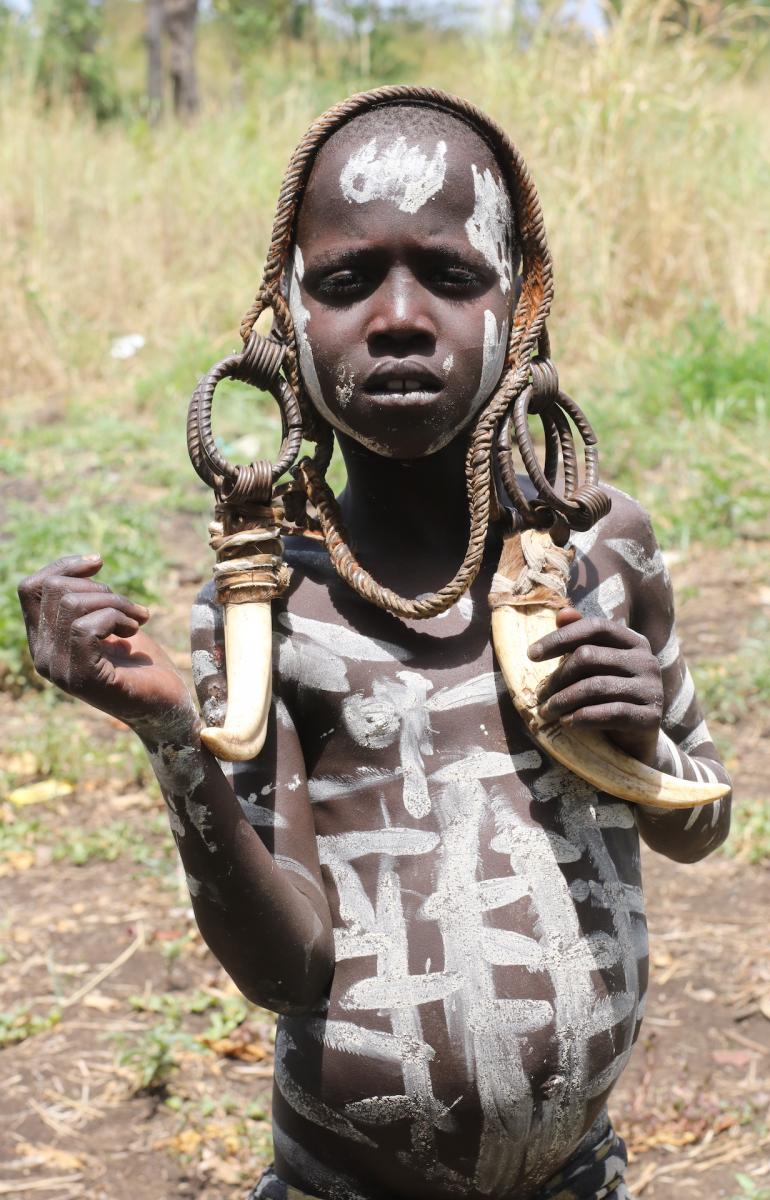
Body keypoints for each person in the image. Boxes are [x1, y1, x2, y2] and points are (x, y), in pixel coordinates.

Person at [19, 87, 731, 1200]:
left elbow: (705, 825)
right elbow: (288, 967)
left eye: (449, 276)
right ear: (285, 322)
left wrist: (648, 745)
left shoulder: (601, 555)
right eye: (347, 282)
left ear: (521, 304)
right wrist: (172, 738)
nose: (399, 317)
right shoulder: (265, 615)